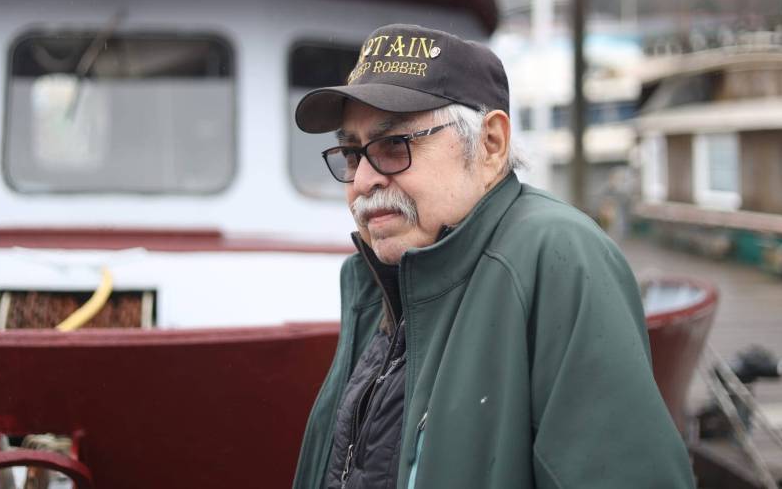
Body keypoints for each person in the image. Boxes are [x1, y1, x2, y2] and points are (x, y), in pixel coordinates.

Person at [290, 24, 695, 489]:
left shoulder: (557, 256)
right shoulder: (375, 281)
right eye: (351, 154)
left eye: (394, 146)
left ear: (490, 145)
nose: (363, 181)